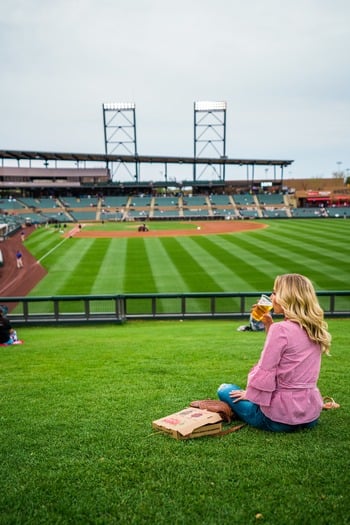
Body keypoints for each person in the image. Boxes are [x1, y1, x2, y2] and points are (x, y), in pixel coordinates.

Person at [218, 274, 332, 432]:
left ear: (287, 297)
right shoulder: (314, 329)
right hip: (310, 416)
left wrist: (251, 394)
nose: (271, 297)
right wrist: (269, 325)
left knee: (224, 389)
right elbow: (287, 352)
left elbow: (267, 369)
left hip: (278, 418)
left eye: (275, 293)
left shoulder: (281, 329)